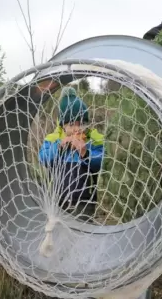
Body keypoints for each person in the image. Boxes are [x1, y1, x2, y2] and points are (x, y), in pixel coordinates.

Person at [38, 87, 104, 221]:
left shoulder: (93, 139)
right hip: (58, 200)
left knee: (83, 233)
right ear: (63, 125)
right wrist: (60, 147)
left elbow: (102, 163)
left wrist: (85, 153)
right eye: (72, 124)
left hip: (85, 201)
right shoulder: (53, 139)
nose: (77, 129)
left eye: (82, 124)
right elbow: (43, 158)